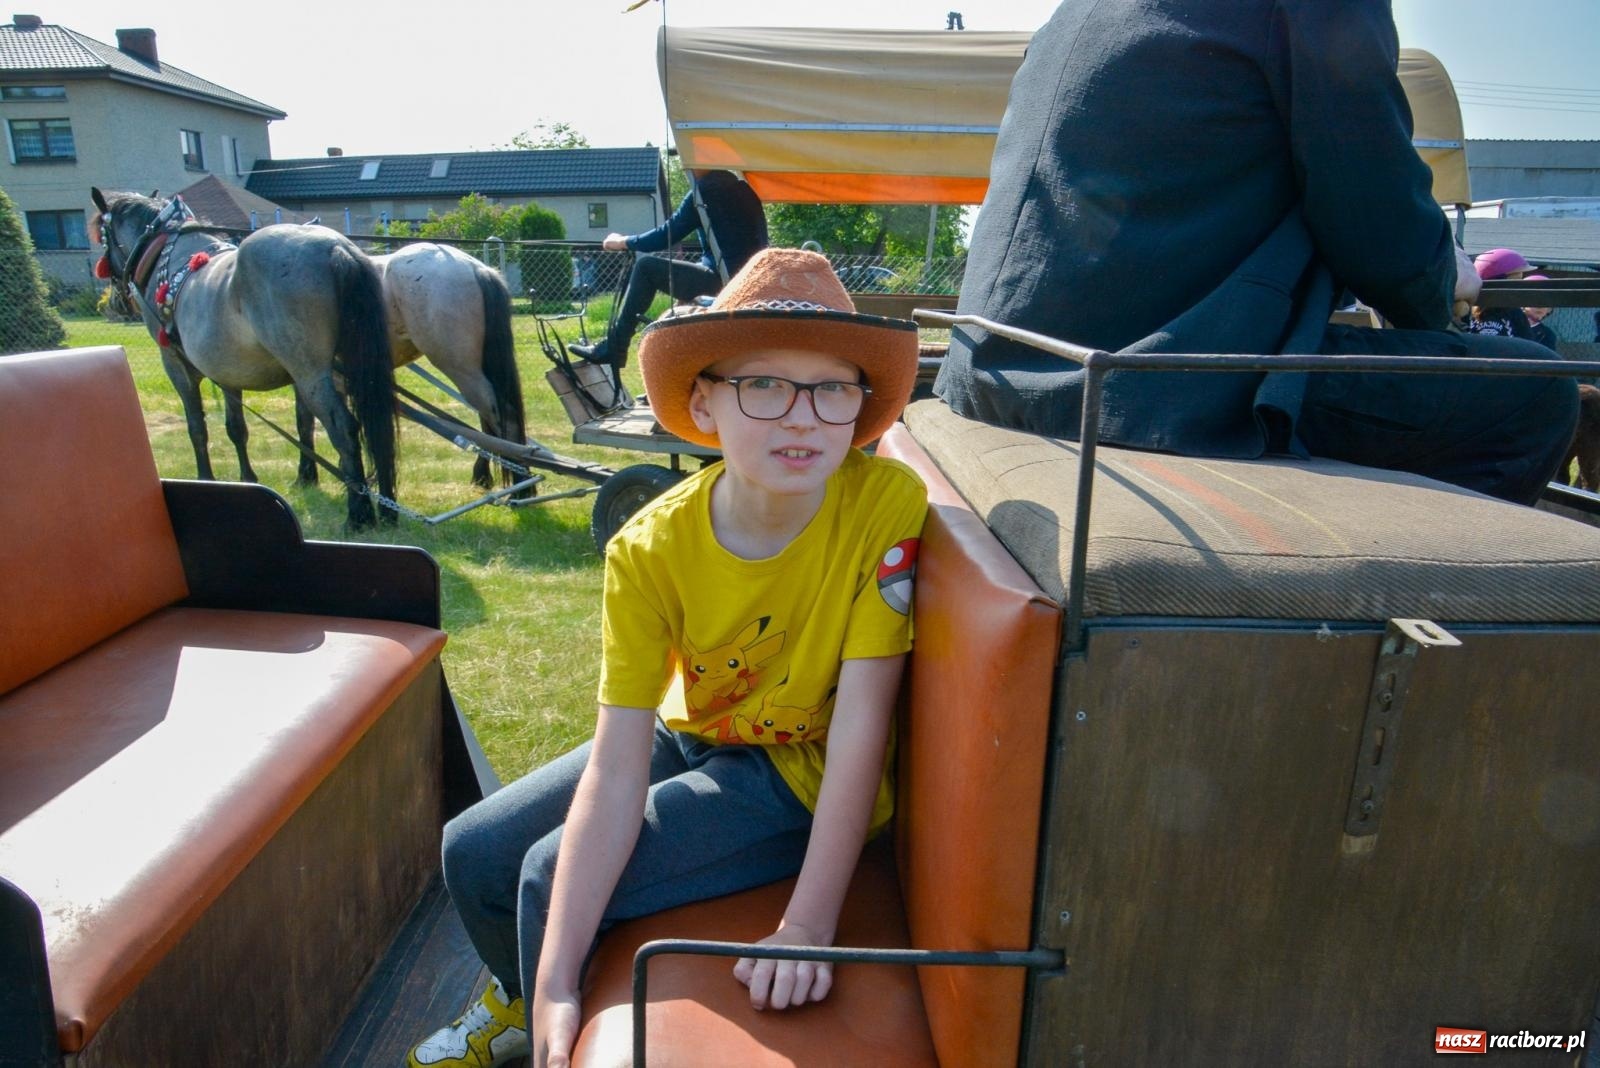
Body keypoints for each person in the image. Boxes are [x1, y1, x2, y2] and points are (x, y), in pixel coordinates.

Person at [406, 248, 925, 1068]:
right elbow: (617, 768)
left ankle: (550, 1032)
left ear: (860, 406)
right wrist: (551, 984)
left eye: (832, 388)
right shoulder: (648, 548)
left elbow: (862, 726)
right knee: (473, 851)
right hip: (699, 731)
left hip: (800, 771)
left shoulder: (884, 507)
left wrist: (808, 925)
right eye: (764, 384)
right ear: (706, 403)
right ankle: (529, 1010)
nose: (802, 416)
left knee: (545, 881)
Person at [934, 0, 1578, 507]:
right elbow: (1374, 217)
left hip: (990, 367)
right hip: (1150, 384)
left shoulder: (1078, 11)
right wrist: (1445, 277)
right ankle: (1378, 640)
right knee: (1535, 392)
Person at [567, 168, 768, 367]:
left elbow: (667, 234)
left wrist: (622, 241)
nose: (682, 166)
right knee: (681, 304)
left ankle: (615, 347)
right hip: (747, 280)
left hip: (724, 282)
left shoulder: (705, 192)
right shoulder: (743, 189)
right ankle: (675, 374)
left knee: (646, 268)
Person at [1466, 247, 1537, 340]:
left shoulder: (1514, 312)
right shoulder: (1466, 311)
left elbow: (1529, 347)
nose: (1519, 286)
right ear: (1497, 280)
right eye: (1515, 281)